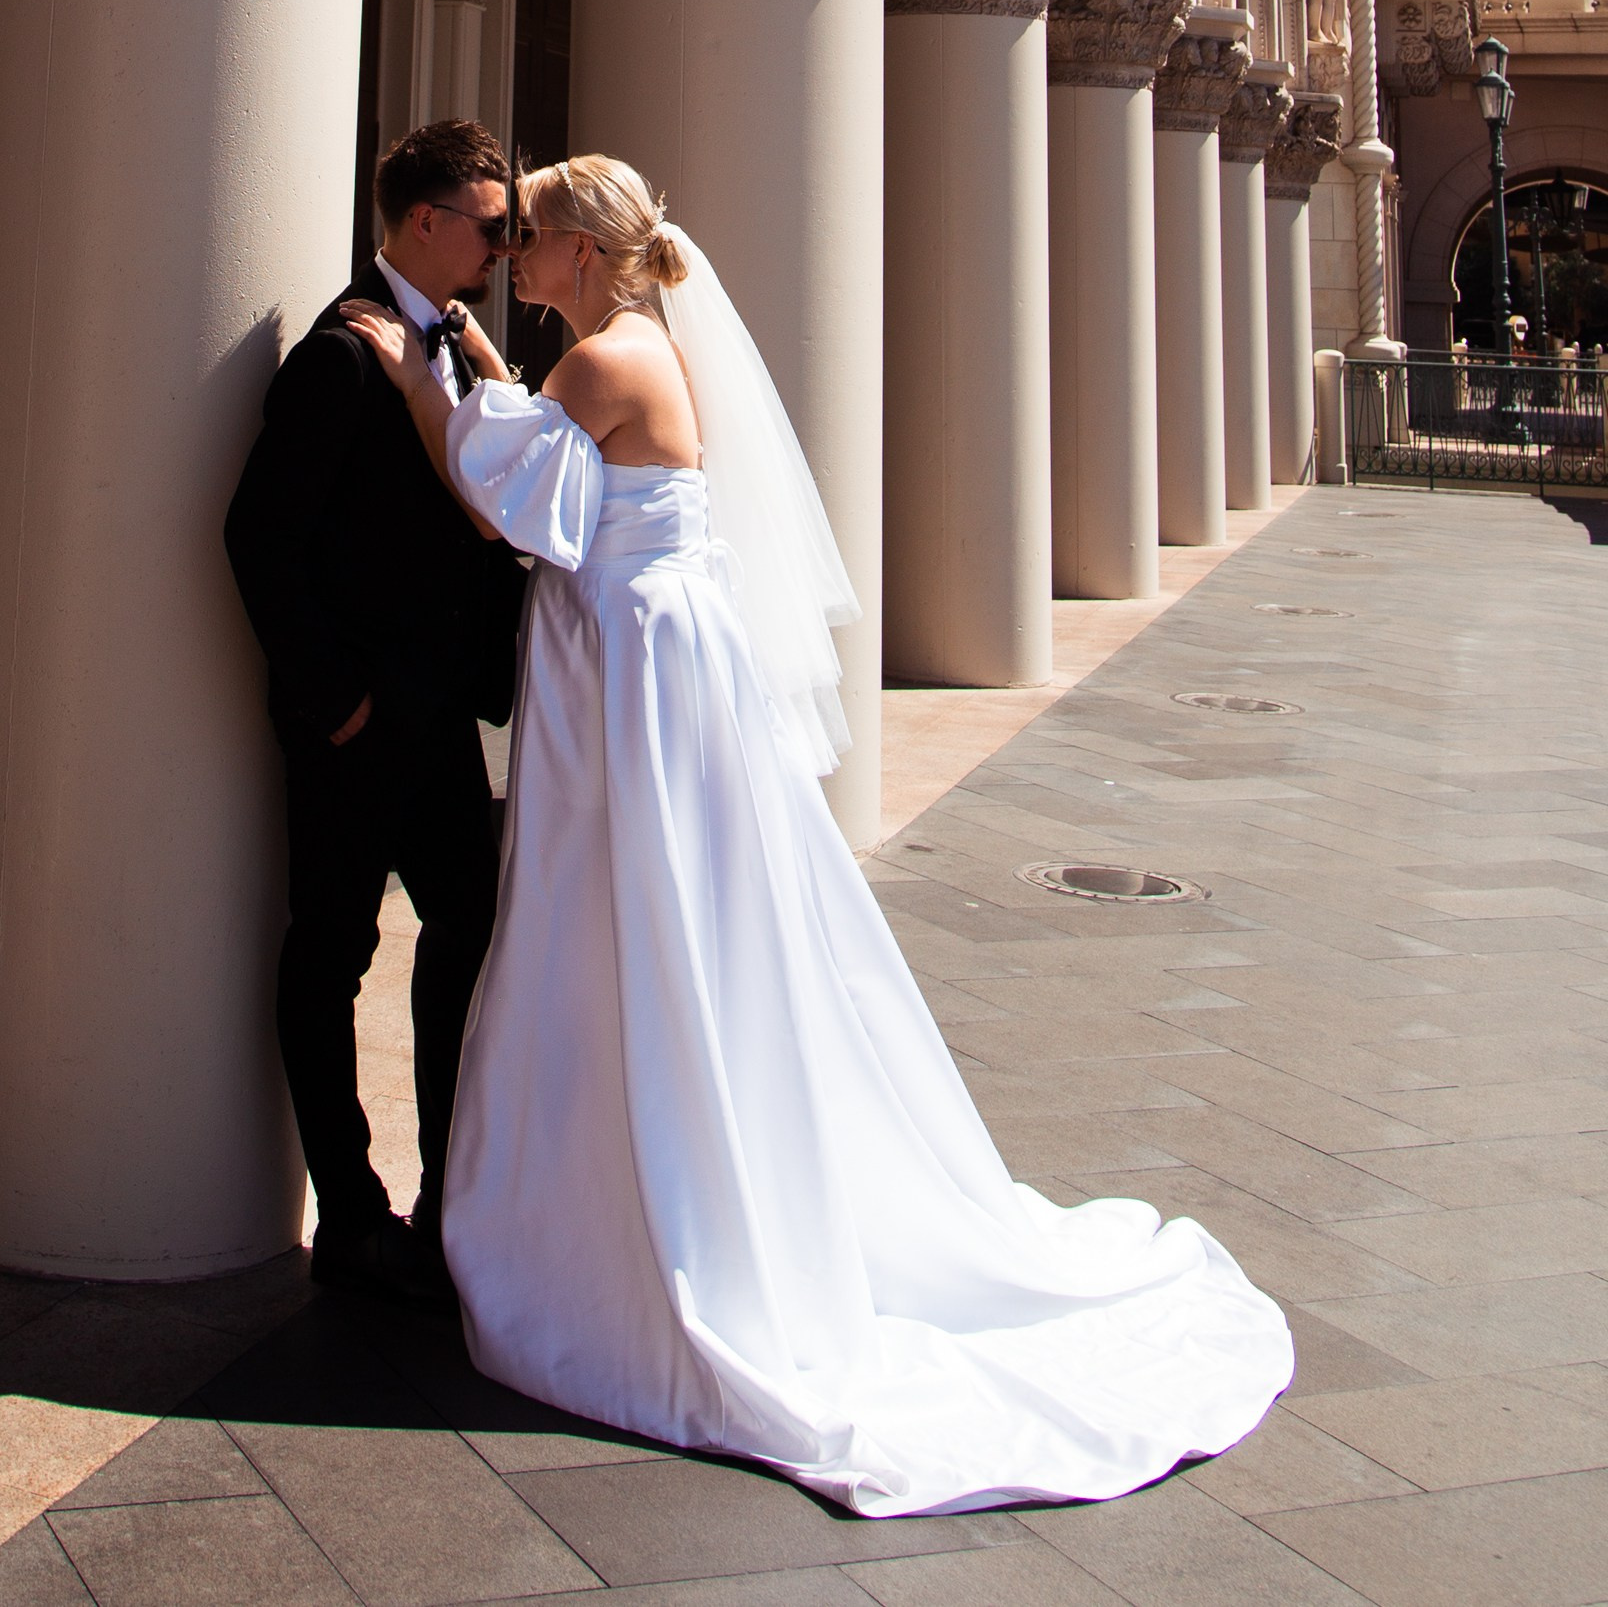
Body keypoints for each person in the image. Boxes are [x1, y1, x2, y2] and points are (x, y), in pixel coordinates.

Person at [341, 153, 1294, 1517]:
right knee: (660, 914)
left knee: (632, 911)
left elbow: (502, 487)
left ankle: (637, 1211)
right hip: (657, 654)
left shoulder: (606, 363)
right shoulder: (629, 346)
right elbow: (543, 434)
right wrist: (476, 358)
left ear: (585, 256)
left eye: (533, 238)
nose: (513, 257)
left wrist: (414, 379)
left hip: (632, 675)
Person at [225, 119, 527, 1303]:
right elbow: (260, 537)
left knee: (472, 926)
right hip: (356, 726)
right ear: (423, 222)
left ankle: (448, 1187)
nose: (504, 247)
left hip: (442, 718)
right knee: (330, 951)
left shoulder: (451, 341)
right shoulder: (341, 357)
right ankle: (348, 1210)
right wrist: (333, 702)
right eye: (490, 226)